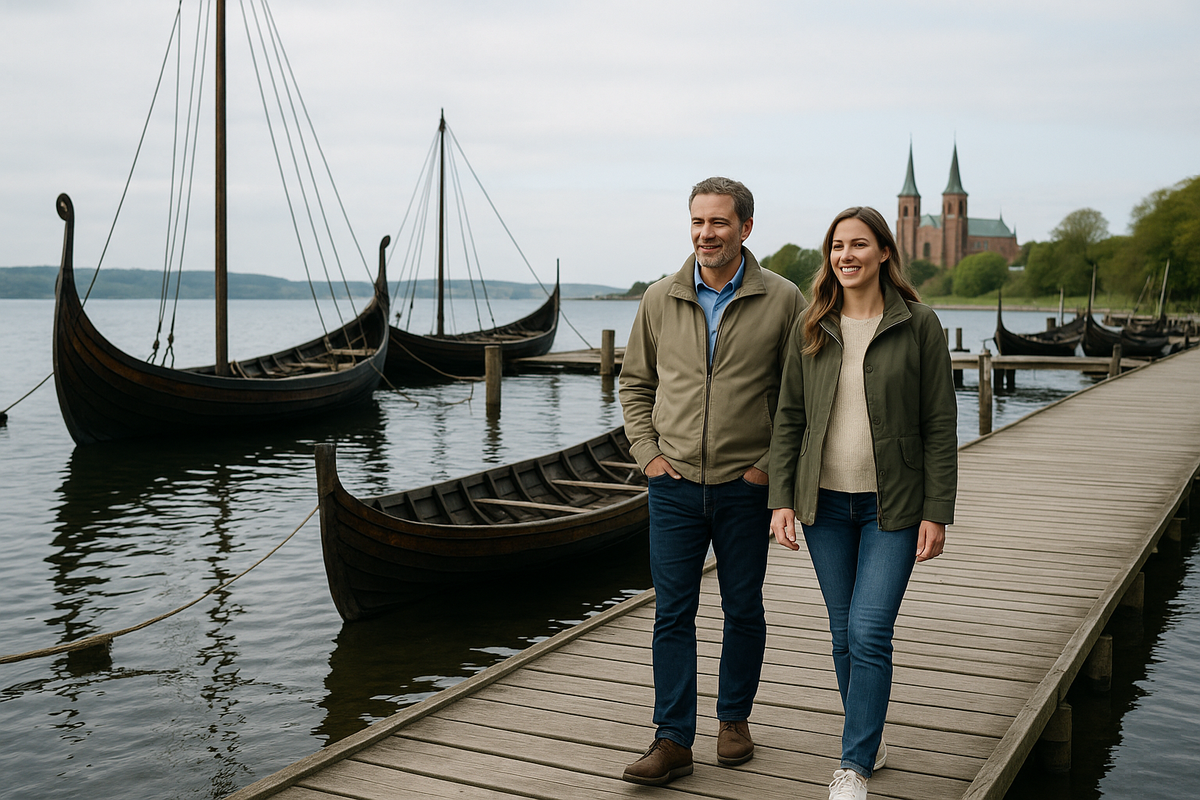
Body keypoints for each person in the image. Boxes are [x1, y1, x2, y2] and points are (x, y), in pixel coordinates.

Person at [619, 177, 805, 785]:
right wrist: (649, 456)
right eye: (698, 222)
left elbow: (795, 399)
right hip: (671, 484)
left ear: (745, 228)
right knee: (672, 611)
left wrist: (767, 470)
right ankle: (672, 738)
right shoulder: (659, 298)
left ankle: (733, 720)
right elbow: (635, 384)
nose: (706, 234)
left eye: (719, 223)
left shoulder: (784, 300)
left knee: (743, 607)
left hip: (745, 486)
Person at [767, 206, 957, 800]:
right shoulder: (812, 324)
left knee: (870, 630)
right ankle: (866, 735)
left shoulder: (919, 324)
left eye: (858, 245)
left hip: (892, 506)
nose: (845, 256)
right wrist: (781, 499)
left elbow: (940, 424)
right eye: (837, 246)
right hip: (823, 504)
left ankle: (853, 765)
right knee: (843, 632)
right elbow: (789, 418)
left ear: (882, 254)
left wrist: (937, 510)